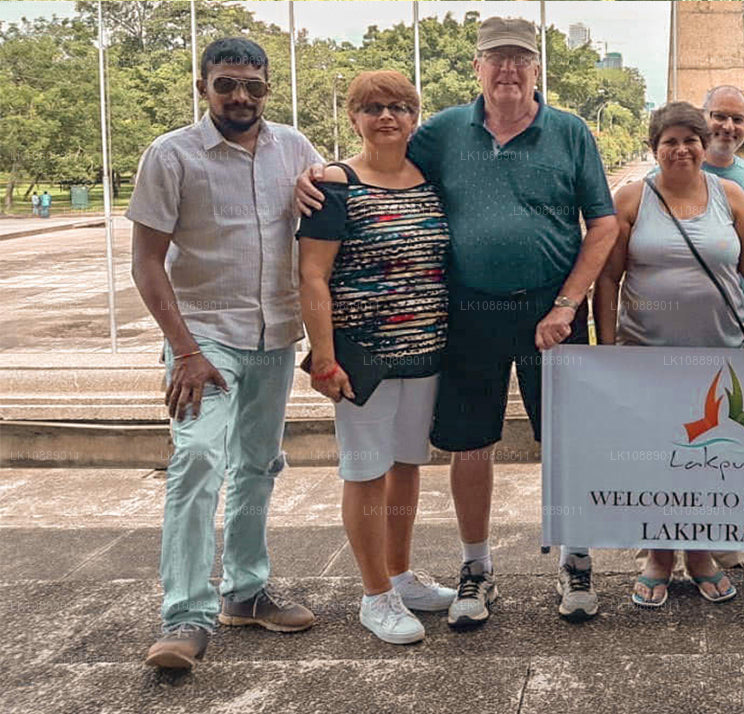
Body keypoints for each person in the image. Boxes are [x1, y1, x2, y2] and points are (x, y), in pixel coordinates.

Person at [297, 17, 618, 627]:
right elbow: (379, 158)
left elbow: (602, 224)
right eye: (496, 58)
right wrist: (320, 176)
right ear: (477, 67)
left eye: (520, 59)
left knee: (567, 440)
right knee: (470, 444)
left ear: (537, 68)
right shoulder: (443, 131)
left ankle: (576, 559)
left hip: (552, 311)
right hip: (467, 309)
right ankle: (476, 566)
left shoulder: (570, 131)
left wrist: (567, 305)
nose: (508, 70)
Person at [129, 38, 324, 670]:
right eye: (226, 84)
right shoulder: (171, 155)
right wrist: (184, 350)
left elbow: (326, 229)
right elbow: (146, 262)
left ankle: (246, 591)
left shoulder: (295, 148)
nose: (240, 96)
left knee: (258, 464)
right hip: (204, 338)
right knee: (196, 460)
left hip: (274, 334)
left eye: (253, 85)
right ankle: (185, 615)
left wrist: (323, 340)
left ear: (267, 88)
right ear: (202, 87)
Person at [593, 101, 744, 607]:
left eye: (690, 140)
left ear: (704, 146)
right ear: (654, 148)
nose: (681, 150)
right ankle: (658, 556)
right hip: (646, 356)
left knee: (709, 459)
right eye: (670, 142)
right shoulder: (632, 199)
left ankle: (700, 553)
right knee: (658, 460)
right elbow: (608, 278)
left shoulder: (731, 197)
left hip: (719, 355)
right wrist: (609, 350)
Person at [297, 70, 455, 645]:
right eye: (372, 107)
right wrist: (323, 356)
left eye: (399, 107)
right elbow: (312, 275)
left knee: (407, 465)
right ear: (354, 118)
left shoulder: (431, 181)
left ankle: (400, 575)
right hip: (363, 356)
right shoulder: (334, 185)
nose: (386, 116)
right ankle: (374, 594)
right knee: (365, 470)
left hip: (425, 350)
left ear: (415, 117)